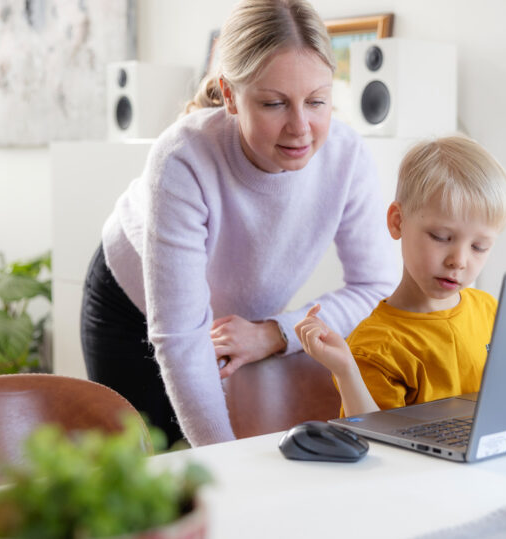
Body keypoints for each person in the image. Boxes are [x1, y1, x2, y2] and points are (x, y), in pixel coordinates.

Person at [80, 0, 397, 447]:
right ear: (230, 95)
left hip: (237, 325)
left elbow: (375, 287)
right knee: (152, 472)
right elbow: (182, 334)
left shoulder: (346, 157)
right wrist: (223, 462)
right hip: (132, 311)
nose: (301, 128)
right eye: (274, 103)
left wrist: (276, 332)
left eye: (317, 101)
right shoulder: (183, 158)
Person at [295, 135, 506, 417]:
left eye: (478, 247)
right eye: (441, 237)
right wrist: (347, 372)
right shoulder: (376, 347)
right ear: (398, 222)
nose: (458, 261)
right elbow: (373, 442)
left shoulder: (490, 310)